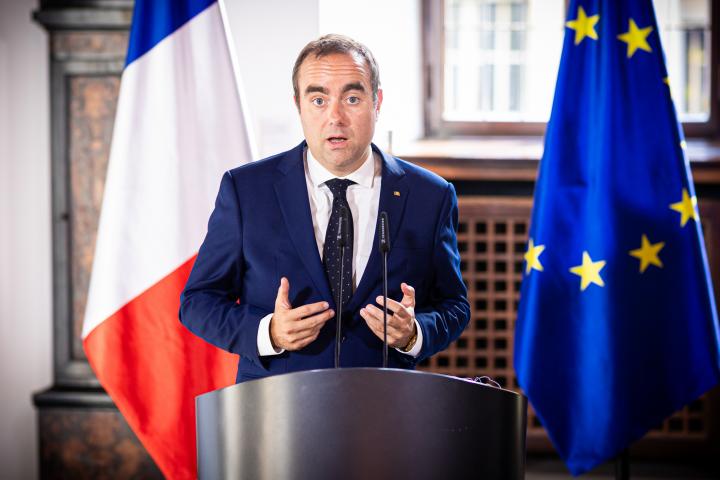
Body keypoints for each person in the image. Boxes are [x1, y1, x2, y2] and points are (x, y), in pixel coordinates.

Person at [180, 34, 469, 383]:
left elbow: (454, 305)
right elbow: (198, 301)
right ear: (298, 105)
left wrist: (414, 334)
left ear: (376, 102)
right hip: (276, 402)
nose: (335, 117)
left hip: (383, 400)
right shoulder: (246, 190)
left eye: (352, 98)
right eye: (318, 100)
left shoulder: (430, 195)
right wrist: (268, 332)